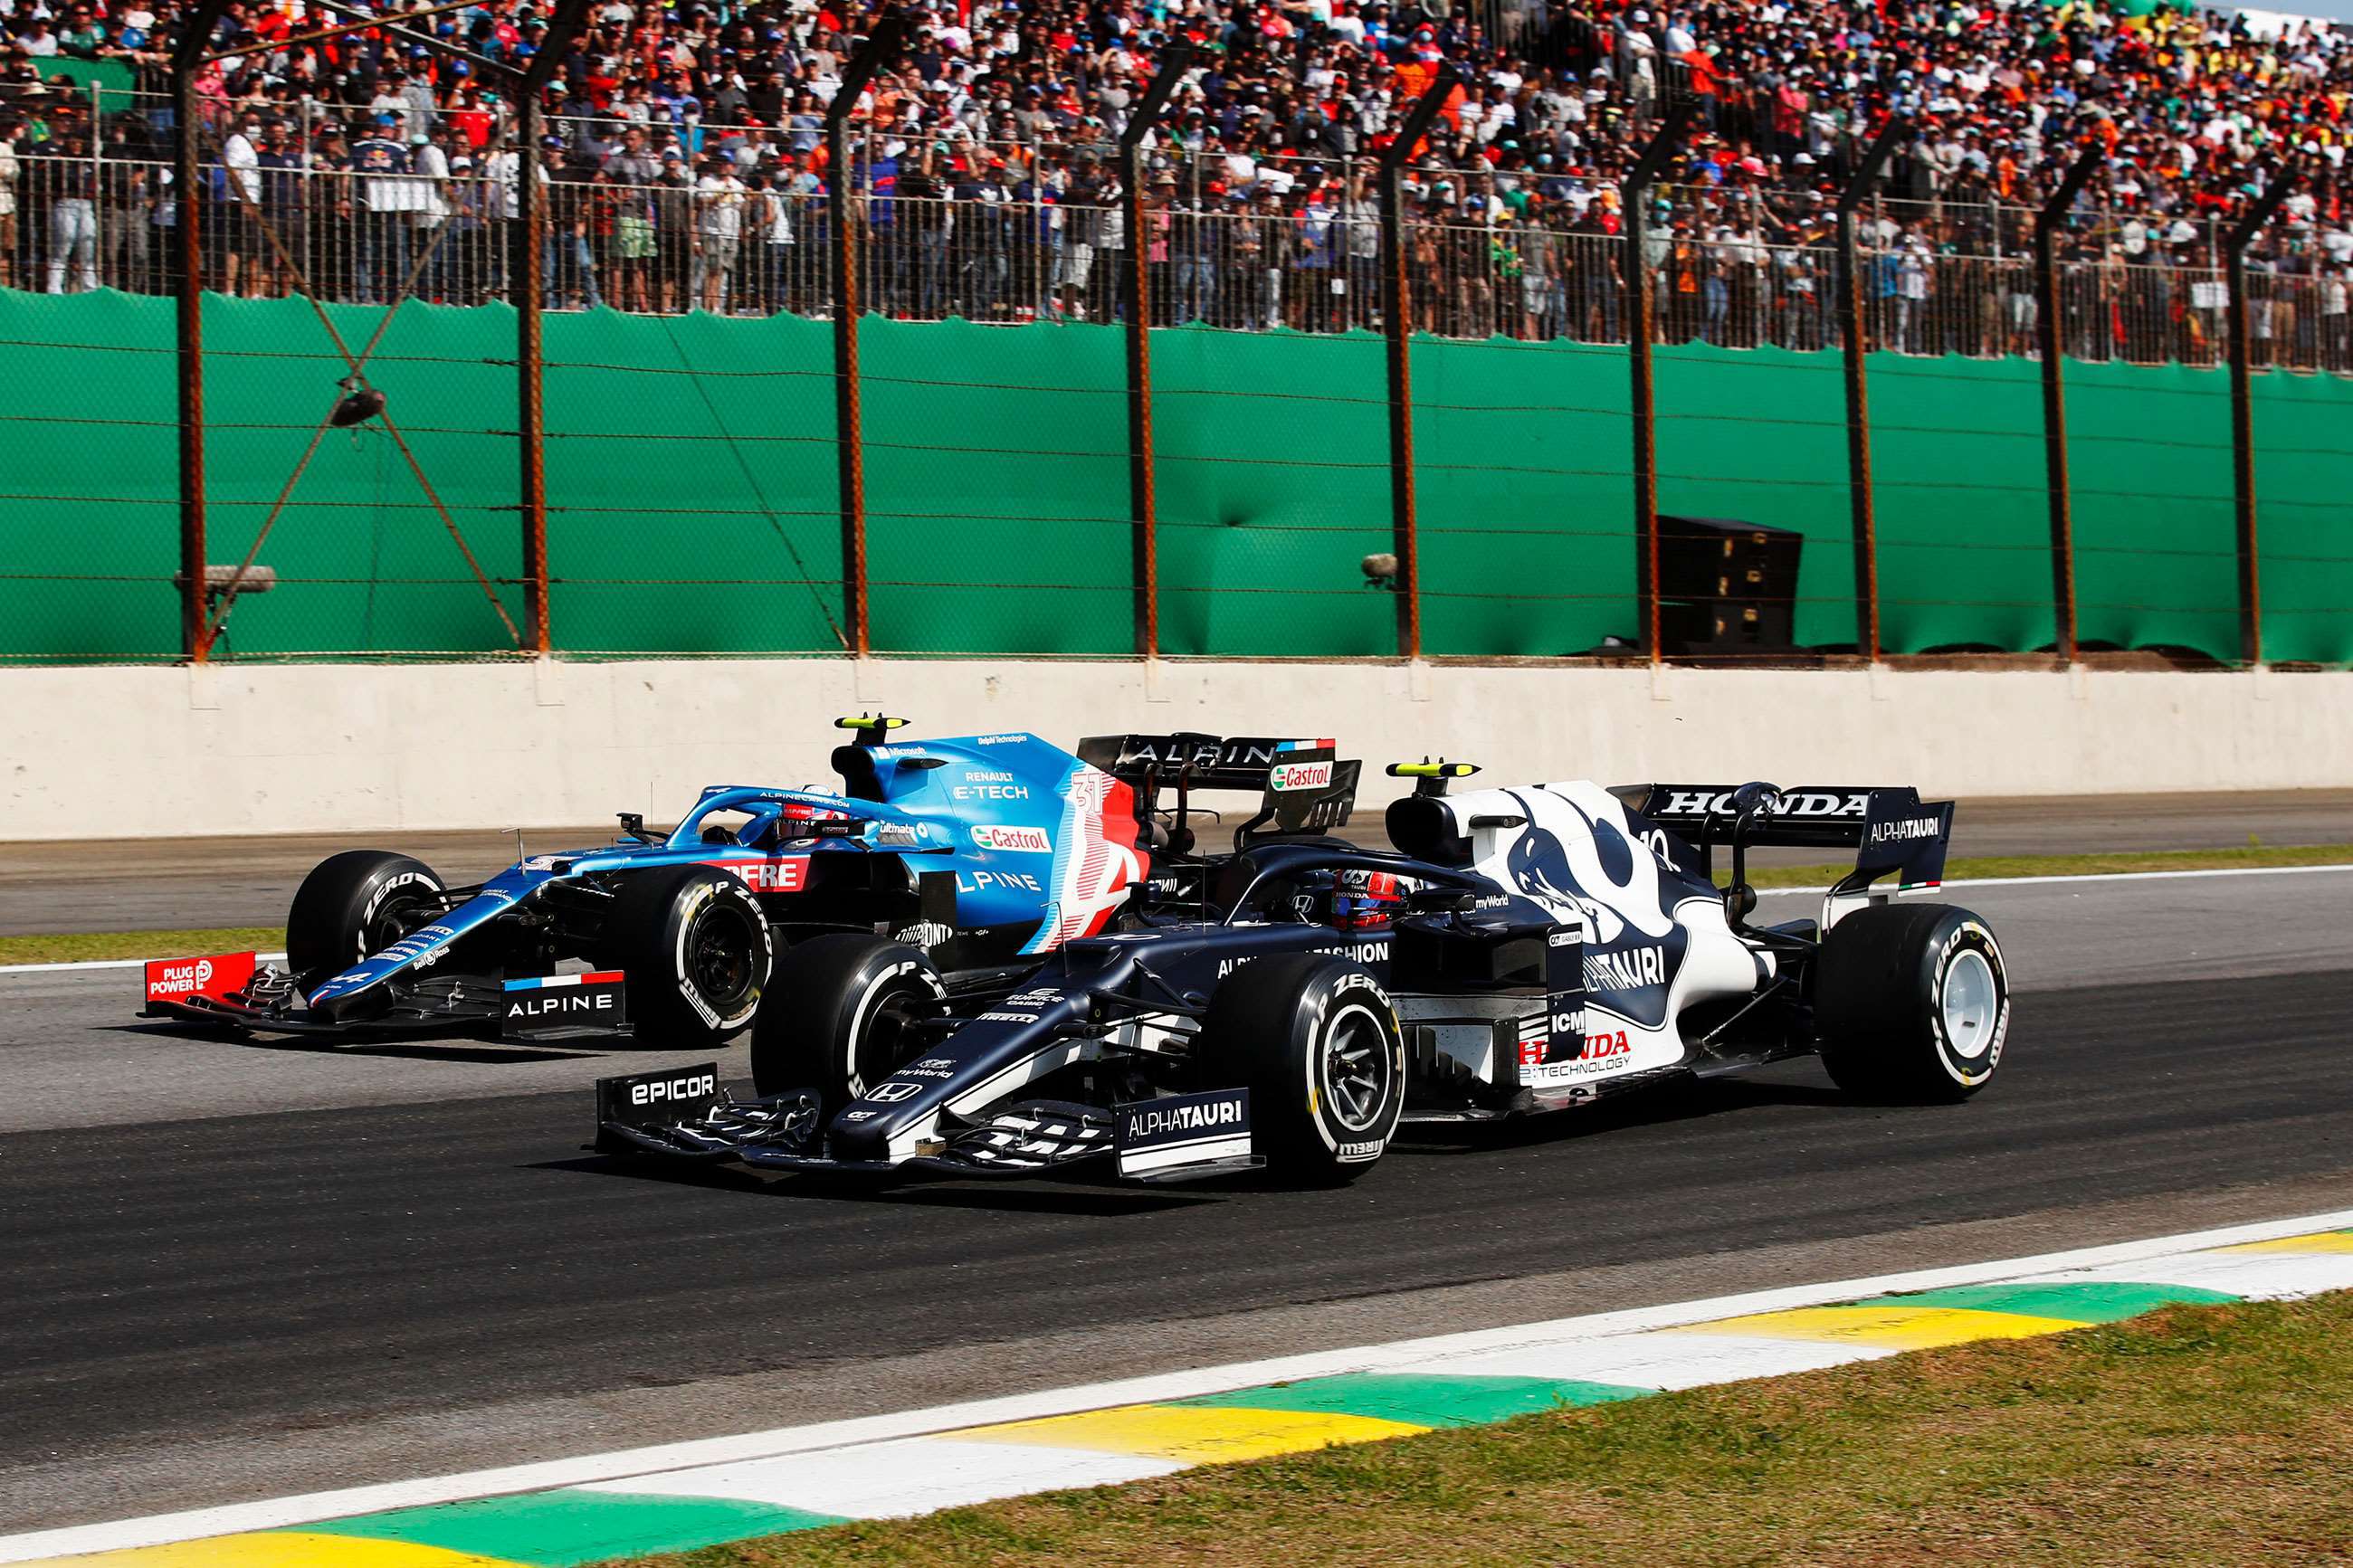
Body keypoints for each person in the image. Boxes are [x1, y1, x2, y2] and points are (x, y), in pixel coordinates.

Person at [691, 147, 746, 313]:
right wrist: (720, 195)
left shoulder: (737, 185)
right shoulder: (708, 182)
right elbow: (703, 202)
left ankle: (716, 305)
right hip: (712, 231)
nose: (723, 166)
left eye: (727, 163)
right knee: (711, 270)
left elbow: (740, 205)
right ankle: (707, 306)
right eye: (720, 163)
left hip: (730, 232)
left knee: (722, 270)